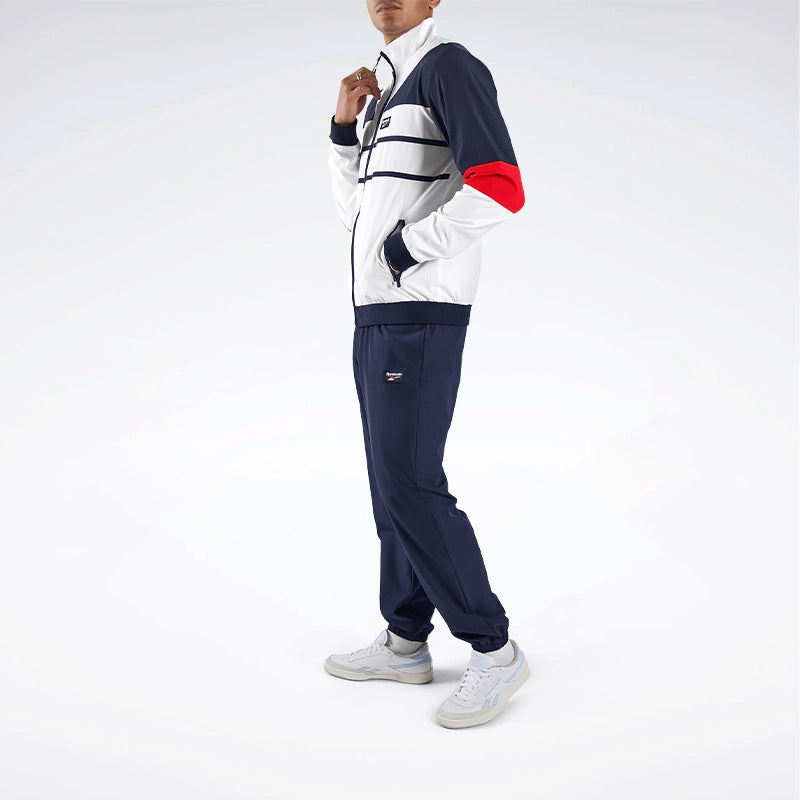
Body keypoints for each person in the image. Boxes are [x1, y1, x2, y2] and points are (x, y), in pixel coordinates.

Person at [323, 0, 530, 729]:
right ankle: (407, 639)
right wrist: (344, 133)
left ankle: (494, 648)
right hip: (378, 313)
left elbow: (501, 187)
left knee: (412, 483)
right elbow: (359, 215)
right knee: (390, 486)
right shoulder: (387, 89)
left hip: (419, 311)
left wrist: (405, 251)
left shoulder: (448, 68)